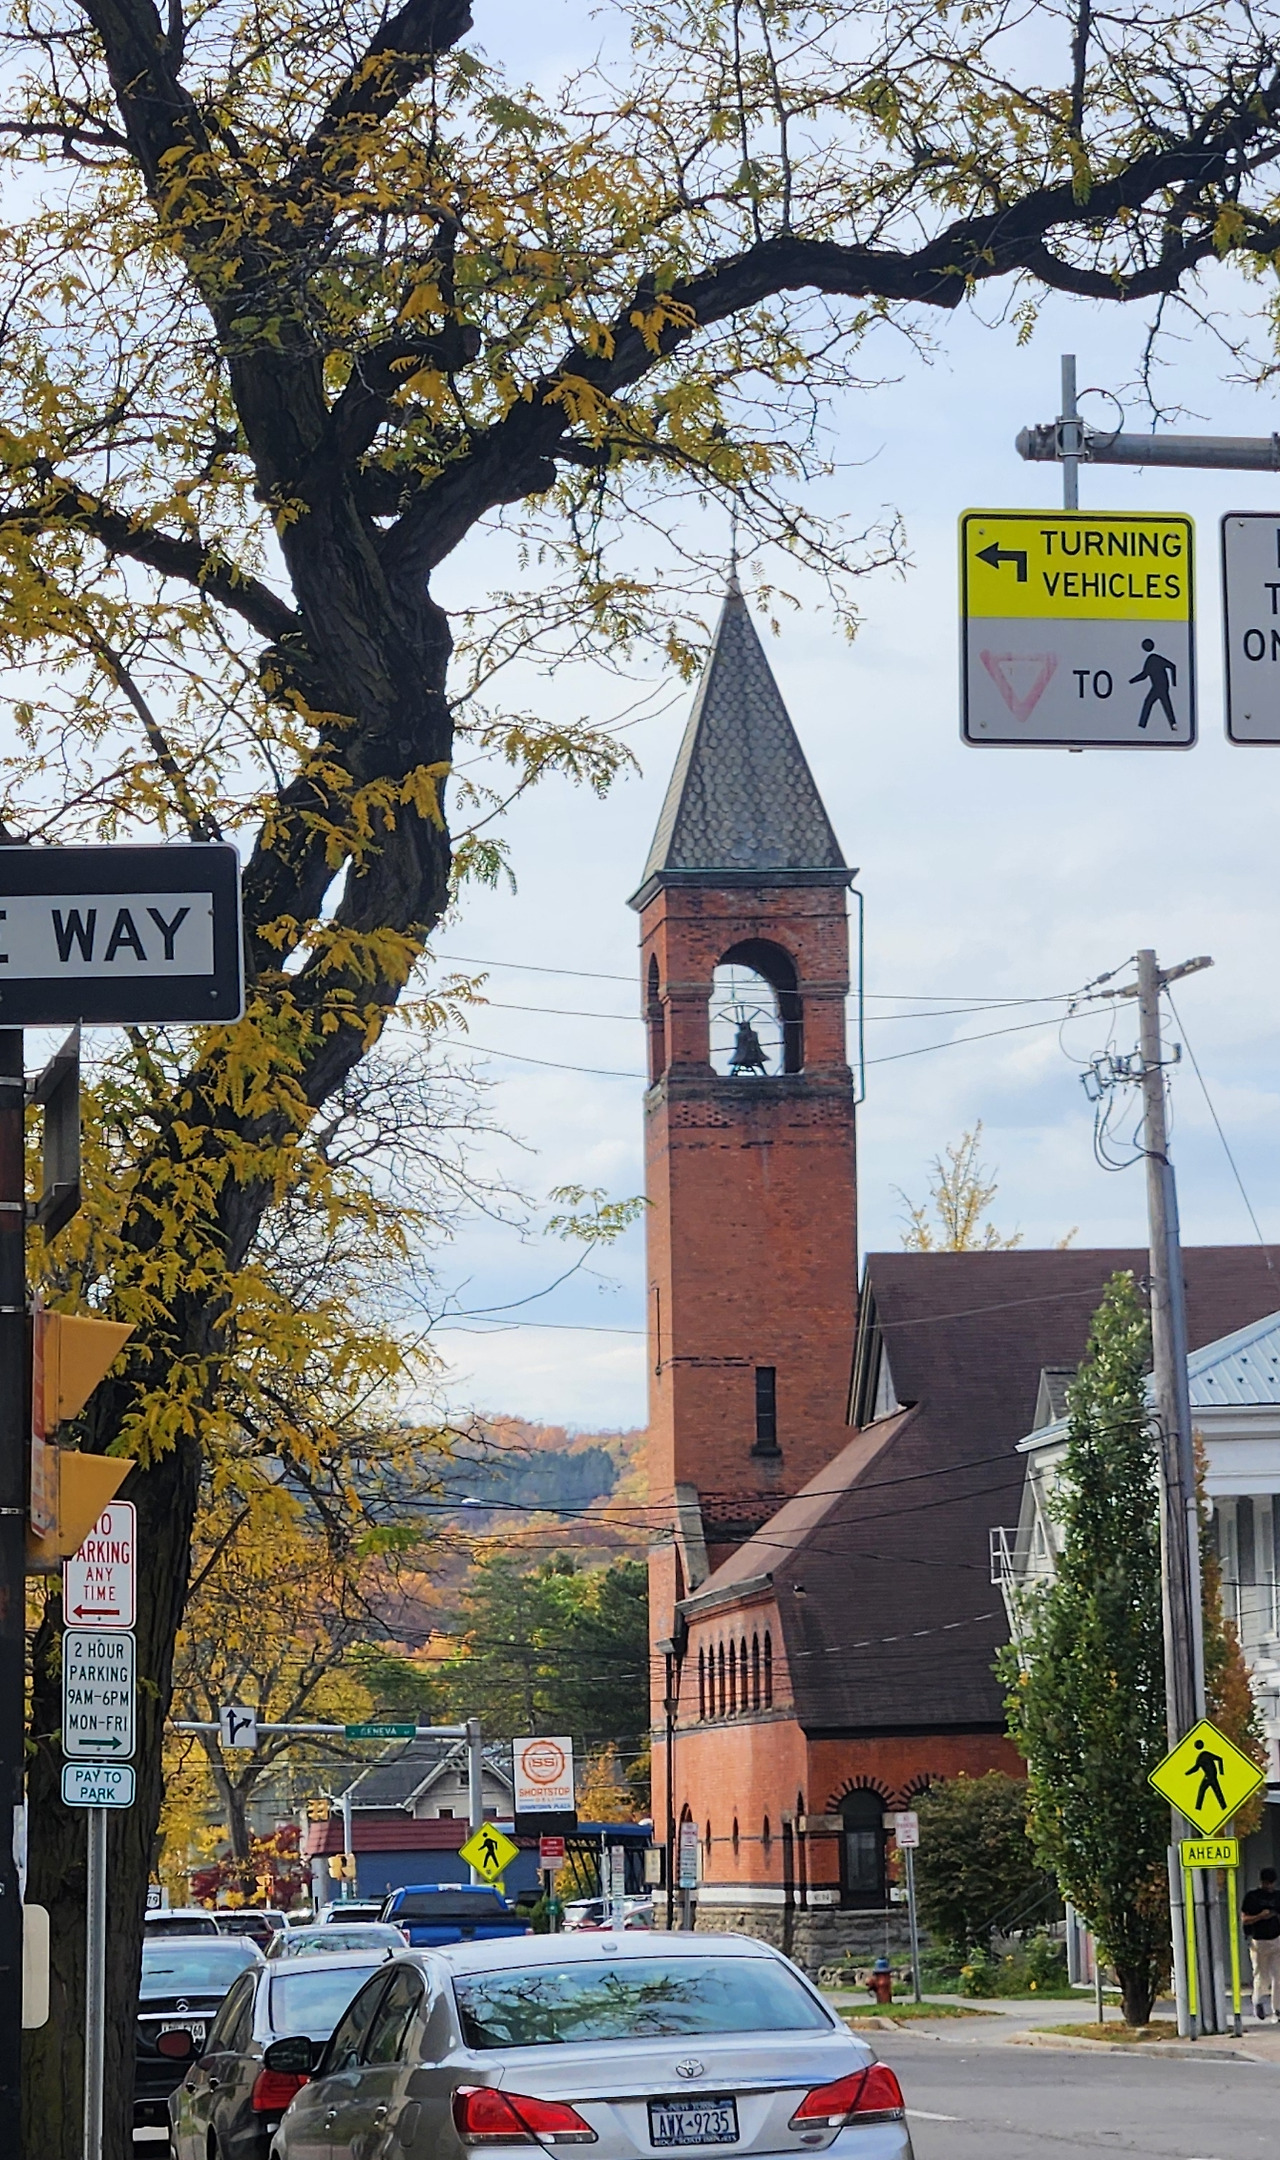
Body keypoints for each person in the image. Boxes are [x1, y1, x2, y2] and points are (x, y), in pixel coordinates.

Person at [1241, 1866, 1280, 2019]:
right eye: (1266, 1883)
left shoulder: (1277, 1897)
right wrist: (1260, 1916)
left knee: (1278, 1976)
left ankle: (1277, 2008)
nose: (1269, 1886)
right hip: (1258, 1941)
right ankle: (1258, 2001)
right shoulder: (1253, 1897)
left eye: (1271, 1883)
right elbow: (1245, 1919)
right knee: (1261, 1975)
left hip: (1276, 1939)